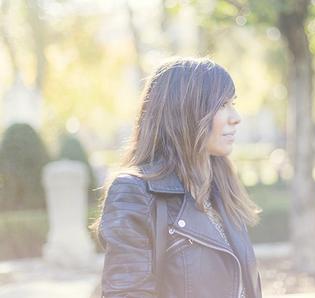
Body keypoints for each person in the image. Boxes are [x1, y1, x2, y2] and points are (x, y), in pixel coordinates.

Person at [91, 57, 263, 298]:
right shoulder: (135, 192)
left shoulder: (220, 190)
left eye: (232, 103)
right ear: (185, 112)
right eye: (221, 104)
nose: (235, 117)